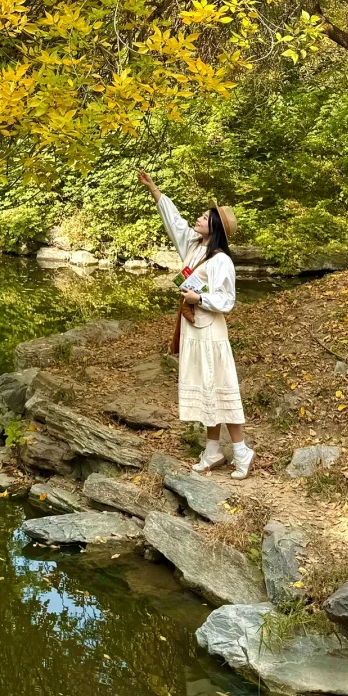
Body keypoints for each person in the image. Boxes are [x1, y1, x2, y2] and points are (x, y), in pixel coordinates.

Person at [137, 170, 253, 479]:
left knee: (220, 387)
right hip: (193, 329)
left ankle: (241, 451)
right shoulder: (194, 247)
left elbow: (226, 300)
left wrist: (197, 298)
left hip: (210, 332)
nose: (198, 220)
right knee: (206, 390)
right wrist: (154, 189)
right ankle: (212, 451)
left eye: (204, 217)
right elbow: (174, 221)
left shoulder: (220, 261)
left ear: (215, 227)